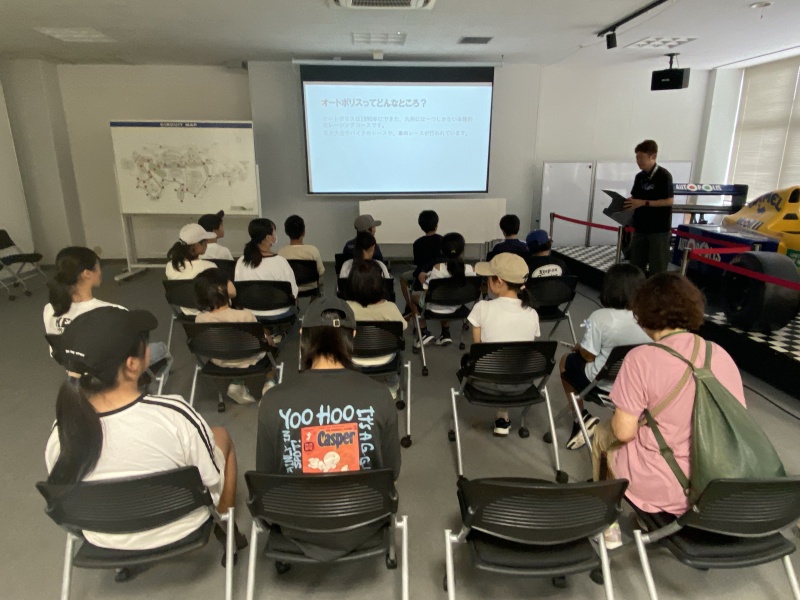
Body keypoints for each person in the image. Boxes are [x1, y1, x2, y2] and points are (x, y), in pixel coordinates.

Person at [44, 307, 246, 559]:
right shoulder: (174, 414)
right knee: (221, 435)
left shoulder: (61, 432)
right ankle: (226, 527)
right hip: (182, 526)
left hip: (105, 536)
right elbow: (211, 479)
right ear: (132, 365)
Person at [591, 273, 746, 548]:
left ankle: (607, 526)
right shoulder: (719, 353)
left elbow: (623, 432)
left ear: (643, 313)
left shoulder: (641, 358)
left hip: (666, 484)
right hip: (718, 480)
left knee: (603, 434)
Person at [255, 297, 400, 561]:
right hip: (364, 519)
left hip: (293, 522)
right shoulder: (380, 396)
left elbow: (266, 475)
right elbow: (392, 471)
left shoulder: (273, 401)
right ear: (352, 336)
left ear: (303, 335)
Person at [559, 263, 651, 450]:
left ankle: (580, 418)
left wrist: (581, 348)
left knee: (565, 361)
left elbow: (589, 356)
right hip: (637, 385)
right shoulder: (650, 318)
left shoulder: (599, 317)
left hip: (602, 384)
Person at [43, 246, 170, 375]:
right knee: (161, 348)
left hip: (75, 368)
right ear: (87, 273)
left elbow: (55, 351)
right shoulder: (114, 312)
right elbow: (130, 352)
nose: (100, 271)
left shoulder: (50, 309)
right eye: (98, 266)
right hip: (110, 374)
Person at [467, 254, 541, 436]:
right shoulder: (532, 313)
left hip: (485, 383)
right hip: (522, 384)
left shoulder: (482, 308)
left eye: (488, 278)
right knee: (510, 361)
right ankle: (502, 415)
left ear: (499, 281)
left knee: (475, 360)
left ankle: (502, 414)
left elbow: (478, 349)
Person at [194, 269, 274, 405]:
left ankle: (237, 383)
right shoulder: (245, 315)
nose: (232, 283)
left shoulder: (200, 319)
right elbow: (261, 341)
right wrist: (269, 338)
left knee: (234, 347)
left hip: (220, 361)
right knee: (271, 346)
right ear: (220, 289)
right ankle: (268, 382)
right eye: (228, 281)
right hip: (250, 359)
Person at [347, 261, 408, 399]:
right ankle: (392, 386)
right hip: (385, 359)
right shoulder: (390, 308)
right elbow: (403, 327)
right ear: (380, 285)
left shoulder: (345, 308)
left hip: (353, 358)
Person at [413, 232, 475, 347]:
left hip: (434, 307)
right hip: (456, 307)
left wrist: (422, 279)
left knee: (413, 296)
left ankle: (423, 331)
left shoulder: (438, 268)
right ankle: (445, 333)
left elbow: (427, 290)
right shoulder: (470, 269)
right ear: (462, 251)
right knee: (449, 296)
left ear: (442, 251)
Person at [624, 140, 674, 276]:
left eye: (642, 158)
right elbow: (635, 197)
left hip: (658, 230)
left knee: (657, 268)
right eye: (637, 158)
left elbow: (669, 201)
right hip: (640, 228)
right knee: (636, 267)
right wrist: (628, 202)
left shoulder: (664, 176)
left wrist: (644, 203)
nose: (638, 161)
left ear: (653, 157)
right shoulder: (639, 177)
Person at [234, 218, 298, 319]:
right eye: (274, 232)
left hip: (250, 313)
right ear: (268, 237)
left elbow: (238, 291)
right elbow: (293, 292)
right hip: (279, 312)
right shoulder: (280, 262)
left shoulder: (242, 261)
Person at [166, 223, 235, 315]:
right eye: (204, 240)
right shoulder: (208, 267)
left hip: (186, 312)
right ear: (195, 245)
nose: (207, 243)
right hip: (211, 314)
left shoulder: (170, 266)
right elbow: (229, 293)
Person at [400, 210, 443, 317]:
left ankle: (410, 307)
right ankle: (445, 326)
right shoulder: (443, 240)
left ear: (421, 226)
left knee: (403, 278)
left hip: (422, 277)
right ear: (436, 225)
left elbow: (418, 264)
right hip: (440, 276)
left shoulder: (417, 243)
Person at [277, 214, 325, 292]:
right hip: (311, 288)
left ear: (286, 232)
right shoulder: (313, 250)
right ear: (304, 232)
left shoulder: (281, 252)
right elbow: (321, 272)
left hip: (290, 289)